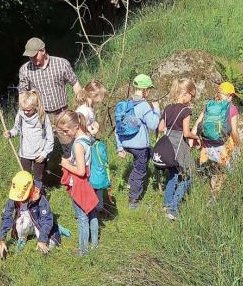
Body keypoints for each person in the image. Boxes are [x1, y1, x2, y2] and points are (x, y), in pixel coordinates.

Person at [18, 37, 82, 158]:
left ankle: (71, 166)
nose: (32, 59)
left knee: (68, 145)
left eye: (34, 55)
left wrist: (81, 107)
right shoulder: (25, 69)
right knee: (40, 150)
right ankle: (45, 169)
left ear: (43, 50)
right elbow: (22, 93)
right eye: (29, 56)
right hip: (40, 115)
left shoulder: (61, 64)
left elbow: (75, 84)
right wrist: (23, 115)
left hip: (61, 113)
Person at [0, 171, 68, 258]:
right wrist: (1, 239)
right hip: (25, 221)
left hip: (39, 222)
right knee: (20, 222)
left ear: (31, 189)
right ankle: (22, 238)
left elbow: (46, 219)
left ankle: (56, 228)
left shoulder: (40, 198)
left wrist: (42, 240)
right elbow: (6, 217)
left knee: (50, 246)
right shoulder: (14, 197)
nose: (20, 199)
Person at [115, 74, 161, 210]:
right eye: (149, 89)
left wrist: (119, 147)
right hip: (139, 145)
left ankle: (131, 183)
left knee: (143, 159)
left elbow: (118, 127)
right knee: (140, 170)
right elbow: (153, 125)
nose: (149, 92)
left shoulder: (126, 104)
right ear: (145, 90)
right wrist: (156, 109)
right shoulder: (144, 105)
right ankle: (133, 200)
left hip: (126, 143)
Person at [57, 110, 99, 256]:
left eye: (66, 130)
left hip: (80, 183)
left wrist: (66, 164)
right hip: (89, 181)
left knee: (82, 217)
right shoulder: (87, 137)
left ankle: (83, 251)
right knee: (92, 213)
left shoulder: (78, 144)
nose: (65, 134)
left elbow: (80, 171)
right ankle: (94, 245)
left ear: (76, 126)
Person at [158, 78, 200, 220]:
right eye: (192, 96)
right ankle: (173, 208)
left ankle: (166, 205)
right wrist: (197, 137)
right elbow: (186, 133)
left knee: (173, 175)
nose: (191, 99)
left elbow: (160, 128)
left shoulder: (168, 108)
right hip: (179, 147)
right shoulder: (185, 111)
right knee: (190, 174)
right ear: (185, 93)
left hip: (167, 147)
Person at [191, 81, 241, 195]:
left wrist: (193, 138)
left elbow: (197, 123)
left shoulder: (209, 105)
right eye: (232, 96)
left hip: (208, 145)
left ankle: (213, 193)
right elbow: (234, 131)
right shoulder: (232, 109)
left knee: (214, 171)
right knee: (224, 172)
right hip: (224, 145)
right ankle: (217, 197)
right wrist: (238, 144)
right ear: (229, 95)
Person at [4, 90, 54, 188]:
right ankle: (27, 195)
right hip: (25, 154)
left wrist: (44, 154)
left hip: (39, 154)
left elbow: (50, 139)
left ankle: (39, 194)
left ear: (35, 106)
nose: (26, 112)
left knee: (38, 178)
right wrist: (10, 133)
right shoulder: (21, 115)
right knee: (25, 177)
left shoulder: (42, 117)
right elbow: (16, 129)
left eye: (28, 110)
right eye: (24, 109)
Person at [75, 80, 109, 214]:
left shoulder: (88, 108)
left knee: (93, 172)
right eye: (100, 97)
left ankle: (96, 204)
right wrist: (92, 131)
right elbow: (80, 128)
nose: (101, 100)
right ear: (94, 95)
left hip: (89, 143)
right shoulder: (83, 110)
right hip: (84, 146)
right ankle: (90, 204)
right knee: (89, 172)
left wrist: (93, 126)